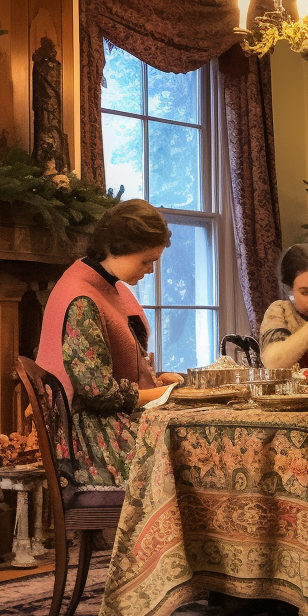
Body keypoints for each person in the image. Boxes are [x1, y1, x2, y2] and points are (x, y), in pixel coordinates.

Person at [36, 200, 182, 493]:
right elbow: (97, 392)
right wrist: (161, 394)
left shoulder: (102, 284)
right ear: (117, 248)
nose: (151, 270)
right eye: (145, 261)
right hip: (89, 441)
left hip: (103, 425)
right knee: (193, 459)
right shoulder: (81, 298)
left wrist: (158, 382)